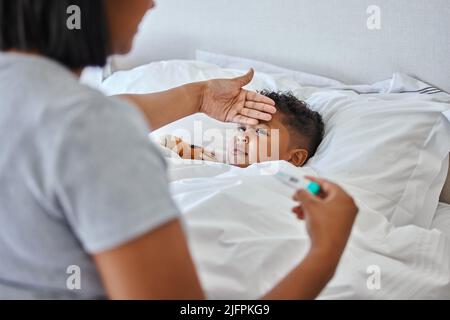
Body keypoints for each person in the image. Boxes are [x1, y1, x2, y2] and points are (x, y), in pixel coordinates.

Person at [0, 0, 358, 299]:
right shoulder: (93, 127)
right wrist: (324, 254)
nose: (152, 3)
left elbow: (89, 122)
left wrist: (200, 96)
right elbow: (93, 126)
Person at [158, 91, 325, 167]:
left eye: (260, 131)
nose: (243, 137)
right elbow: (175, 145)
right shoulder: (223, 160)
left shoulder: (287, 179)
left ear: (294, 158)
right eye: (242, 128)